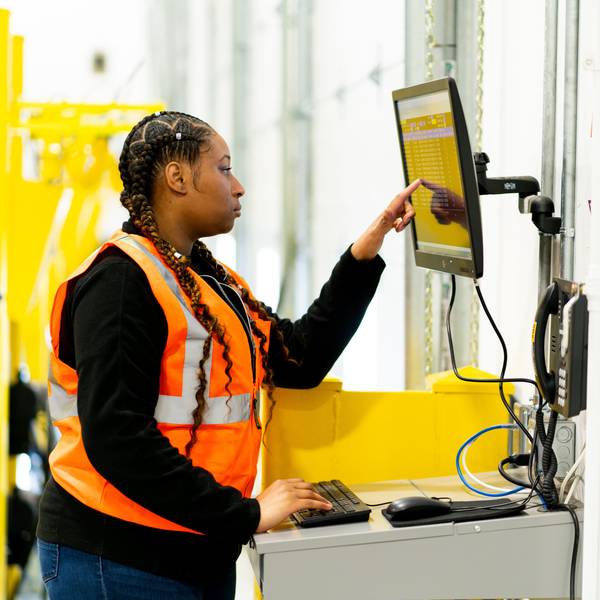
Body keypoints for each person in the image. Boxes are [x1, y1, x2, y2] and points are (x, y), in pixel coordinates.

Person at [36, 110, 419, 599]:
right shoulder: (120, 285)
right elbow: (118, 440)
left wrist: (365, 253)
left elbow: (296, 359)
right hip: (118, 555)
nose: (238, 187)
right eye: (223, 168)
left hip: (194, 545)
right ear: (177, 178)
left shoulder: (206, 279)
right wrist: (248, 514)